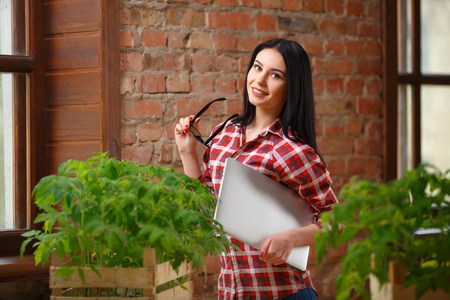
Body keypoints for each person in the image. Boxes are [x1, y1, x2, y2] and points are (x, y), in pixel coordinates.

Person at [174, 38, 338, 300]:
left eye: (275, 75)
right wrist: (186, 153)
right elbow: (206, 211)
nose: (260, 81)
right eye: (257, 68)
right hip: (231, 292)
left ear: (291, 86)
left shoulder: (293, 150)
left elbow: (336, 219)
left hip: (284, 293)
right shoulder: (223, 134)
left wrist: (293, 238)